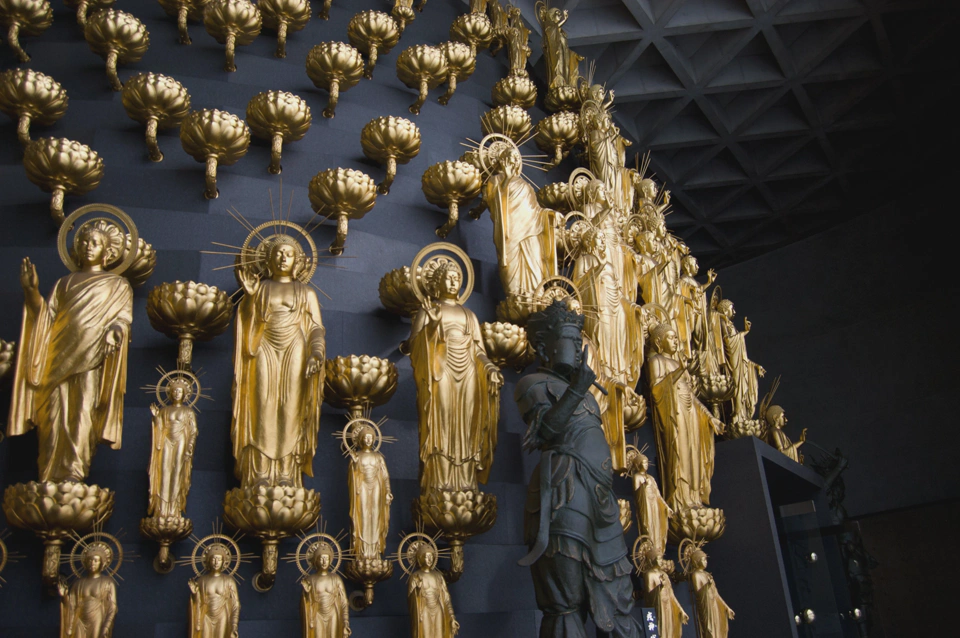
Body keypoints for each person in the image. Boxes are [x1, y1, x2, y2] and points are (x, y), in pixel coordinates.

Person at [516, 300, 642, 638]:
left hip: (599, 497)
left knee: (619, 596)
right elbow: (543, 432)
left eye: (579, 342)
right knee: (565, 601)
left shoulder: (586, 395)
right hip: (564, 491)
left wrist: (579, 390)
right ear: (544, 347)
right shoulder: (533, 384)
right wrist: (575, 389)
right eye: (569, 342)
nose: (577, 351)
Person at [9, 220, 133, 483]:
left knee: (83, 415)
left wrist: (116, 331)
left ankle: (73, 477)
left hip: (91, 358)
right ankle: (48, 475)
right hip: (56, 358)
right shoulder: (63, 283)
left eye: (96, 243)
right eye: (85, 241)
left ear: (108, 251)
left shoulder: (117, 285)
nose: (89, 247)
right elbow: (45, 318)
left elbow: (123, 319)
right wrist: (31, 291)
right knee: (52, 418)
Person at [233, 237, 325, 488]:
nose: (283, 258)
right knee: (260, 405)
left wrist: (316, 353)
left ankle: (287, 472)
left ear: (298, 261)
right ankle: (260, 472)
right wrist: (250, 298)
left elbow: (316, 329)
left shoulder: (306, 292)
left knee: (291, 407)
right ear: (268, 259)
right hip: (263, 347)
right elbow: (247, 325)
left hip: (296, 348)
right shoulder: (261, 288)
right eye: (278, 253)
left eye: (289, 254)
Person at [409, 257, 502, 494]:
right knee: (441, 422)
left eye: (457, 279)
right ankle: (439, 482)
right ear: (437, 282)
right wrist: (431, 327)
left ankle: (466, 481)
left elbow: (478, 350)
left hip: (469, 372)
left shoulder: (469, 315)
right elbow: (415, 349)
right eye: (448, 278)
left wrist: (489, 367)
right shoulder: (429, 311)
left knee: (468, 423)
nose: (453, 283)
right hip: (440, 373)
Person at [646, 323, 724, 512]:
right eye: (671, 337)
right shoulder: (656, 361)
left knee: (693, 453)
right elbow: (657, 390)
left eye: (676, 337)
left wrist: (709, 417)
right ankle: (680, 499)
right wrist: (680, 369)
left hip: (690, 413)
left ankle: (694, 497)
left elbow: (692, 397)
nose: (675, 341)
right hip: (674, 412)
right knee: (680, 453)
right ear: (658, 341)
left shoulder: (679, 366)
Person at [472, 144, 557, 299]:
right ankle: (514, 299)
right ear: (503, 159)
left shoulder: (526, 186)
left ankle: (537, 298)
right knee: (511, 272)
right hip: (509, 234)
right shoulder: (495, 180)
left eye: (517, 158)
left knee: (535, 273)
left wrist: (550, 214)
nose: (515, 160)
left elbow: (536, 211)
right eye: (511, 156)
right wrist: (506, 178)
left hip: (531, 233)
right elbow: (494, 203)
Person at [147, 377, 198, 519]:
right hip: (165, 440)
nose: (176, 393)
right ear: (170, 393)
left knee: (177, 471)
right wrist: (156, 417)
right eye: (174, 391)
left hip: (181, 439)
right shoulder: (164, 411)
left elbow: (193, 431)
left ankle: (174, 509)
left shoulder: (188, 412)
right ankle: (161, 508)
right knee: (163, 470)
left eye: (180, 391)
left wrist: (189, 447)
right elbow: (160, 428)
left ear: (184, 394)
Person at [347, 425, 393, 560]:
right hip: (362, 487)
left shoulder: (378, 457)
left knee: (376, 515)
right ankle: (362, 549)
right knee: (363, 515)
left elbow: (385, 476)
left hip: (377, 487)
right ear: (360, 439)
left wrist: (388, 491)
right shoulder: (356, 456)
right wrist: (354, 465)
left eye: (370, 438)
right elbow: (351, 478)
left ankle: (375, 549)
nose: (368, 440)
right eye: (365, 438)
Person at [59, 542, 118, 638]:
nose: (92, 563)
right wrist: (64, 596)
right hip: (80, 619)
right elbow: (72, 605)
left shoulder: (107, 582)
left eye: (95, 560)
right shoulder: (78, 583)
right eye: (90, 560)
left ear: (102, 563)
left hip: (97, 618)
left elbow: (112, 607)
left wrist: (106, 626)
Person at [624, 447, 672, 557]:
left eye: (646, 463)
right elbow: (638, 495)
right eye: (643, 463)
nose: (645, 465)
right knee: (648, 526)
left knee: (657, 527)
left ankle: (658, 550)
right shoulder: (637, 477)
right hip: (646, 507)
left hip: (654, 505)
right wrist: (644, 488)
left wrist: (666, 507)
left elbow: (658, 495)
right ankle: (650, 551)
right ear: (638, 464)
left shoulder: (651, 478)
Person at [188, 544, 241, 638]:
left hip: (222, 615)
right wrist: (195, 594)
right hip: (206, 615)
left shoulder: (229, 581)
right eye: (213, 559)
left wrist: (234, 626)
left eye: (219, 559)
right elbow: (198, 604)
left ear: (224, 562)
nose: (216, 562)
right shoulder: (201, 581)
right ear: (208, 561)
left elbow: (235, 605)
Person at [407, 543, 459, 638]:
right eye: (427, 557)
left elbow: (446, 598)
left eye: (431, 556)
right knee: (425, 634)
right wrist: (417, 591)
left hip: (438, 609)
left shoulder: (438, 576)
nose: (430, 559)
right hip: (425, 609)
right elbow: (410, 602)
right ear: (420, 558)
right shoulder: (415, 577)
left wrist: (452, 617)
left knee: (439, 634)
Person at [300, 543, 351, 638]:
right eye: (321, 559)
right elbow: (305, 604)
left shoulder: (336, 579)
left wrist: (345, 622)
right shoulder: (310, 580)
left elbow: (344, 602)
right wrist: (306, 595)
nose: (324, 562)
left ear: (330, 560)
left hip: (333, 614)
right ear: (316, 561)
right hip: (317, 614)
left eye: (326, 559)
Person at [686, 547, 734, 638]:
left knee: (719, 628)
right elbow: (698, 593)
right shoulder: (696, 575)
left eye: (706, 559)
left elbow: (716, 594)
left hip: (714, 605)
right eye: (703, 560)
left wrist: (727, 608)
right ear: (696, 561)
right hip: (706, 606)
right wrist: (707, 586)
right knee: (710, 630)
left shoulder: (707, 574)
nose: (705, 562)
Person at [641, 547, 688, 638]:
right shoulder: (649, 575)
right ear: (652, 559)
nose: (661, 561)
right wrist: (660, 587)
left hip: (668, 606)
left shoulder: (665, 575)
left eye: (661, 558)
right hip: (659, 606)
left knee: (670, 629)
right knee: (661, 630)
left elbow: (671, 595)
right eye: (658, 558)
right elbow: (649, 596)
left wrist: (681, 610)